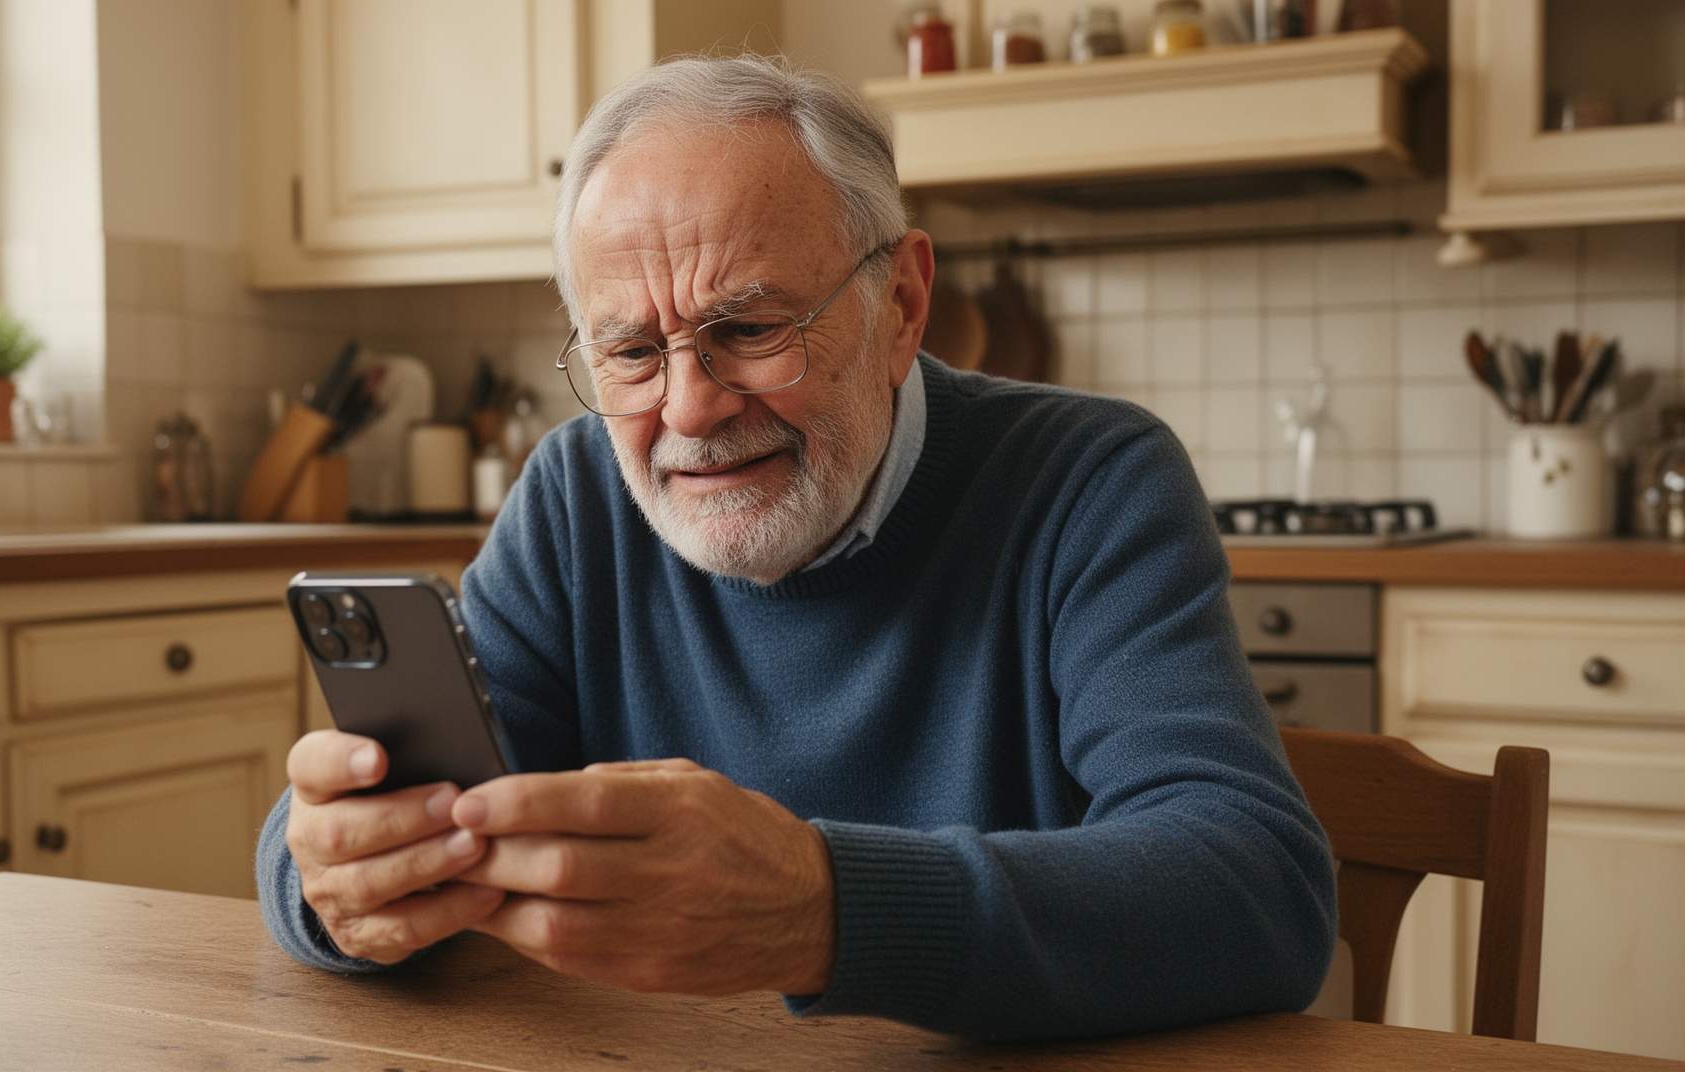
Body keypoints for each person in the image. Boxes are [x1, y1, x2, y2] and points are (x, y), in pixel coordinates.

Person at [257, 55, 1336, 1042]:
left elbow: (1259, 888)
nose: (689, 409)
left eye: (749, 328)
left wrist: (823, 908)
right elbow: (375, 832)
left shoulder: (1090, 480)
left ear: (901, 304)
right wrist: (330, 872)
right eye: (631, 351)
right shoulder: (575, 495)